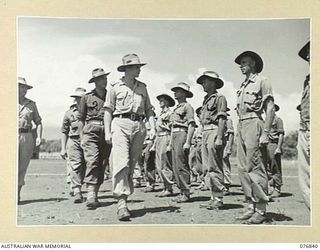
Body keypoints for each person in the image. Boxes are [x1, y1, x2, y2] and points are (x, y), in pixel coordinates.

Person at [104, 54, 156, 221]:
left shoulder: (143, 87)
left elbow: (149, 109)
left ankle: (124, 197)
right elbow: (108, 110)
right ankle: (121, 203)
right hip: (120, 124)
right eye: (135, 67)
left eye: (139, 66)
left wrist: (152, 127)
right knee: (121, 162)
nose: (139, 69)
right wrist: (107, 131)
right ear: (126, 69)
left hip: (139, 127)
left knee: (132, 163)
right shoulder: (114, 86)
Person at [234, 51, 275, 224]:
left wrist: (265, 132)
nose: (241, 66)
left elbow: (270, 108)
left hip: (254, 123)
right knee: (242, 168)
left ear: (253, 64)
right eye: (241, 63)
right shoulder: (243, 85)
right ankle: (250, 206)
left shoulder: (262, 81)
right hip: (241, 124)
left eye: (244, 62)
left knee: (256, 166)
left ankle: (261, 209)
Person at [78, 68, 112, 209]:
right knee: (92, 160)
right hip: (91, 131)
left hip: (107, 132)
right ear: (95, 81)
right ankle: (91, 193)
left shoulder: (111, 96)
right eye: (101, 78)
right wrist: (81, 137)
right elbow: (80, 119)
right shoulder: (86, 97)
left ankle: (95, 194)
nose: (105, 80)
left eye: (105, 78)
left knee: (102, 163)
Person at [196, 71, 228, 210]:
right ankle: (213, 197)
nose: (203, 84)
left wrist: (220, 137)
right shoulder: (206, 99)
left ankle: (219, 198)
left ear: (213, 83)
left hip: (214, 131)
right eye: (202, 82)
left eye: (206, 81)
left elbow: (222, 118)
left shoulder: (220, 97)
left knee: (214, 166)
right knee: (207, 167)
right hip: (205, 131)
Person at [169, 82, 195, 203]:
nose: (175, 93)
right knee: (175, 165)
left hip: (182, 134)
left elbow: (191, 125)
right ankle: (181, 191)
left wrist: (188, 142)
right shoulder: (176, 109)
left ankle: (186, 192)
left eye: (178, 91)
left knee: (182, 164)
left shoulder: (187, 107)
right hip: (174, 135)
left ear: (184, 93)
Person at [18, 77, 43, 203]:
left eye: (25, 88)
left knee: (22, 166)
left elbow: (38, 122)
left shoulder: (31, 104)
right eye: (21, 87)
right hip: (8, 136)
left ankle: (16, 194)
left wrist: (38, 137)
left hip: (26, 137)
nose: (24, 90)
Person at [60, 87, 87, 203]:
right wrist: (63, 148)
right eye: (77, 98)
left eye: (81, 98)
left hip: (88, 141)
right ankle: (77, 191)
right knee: (75, 165)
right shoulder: (69, 113)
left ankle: (82, 187)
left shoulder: (90, 111)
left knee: (86, 165)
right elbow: (64, 131)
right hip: (74, 140)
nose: (78, 100)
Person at [297, 41, 310, 210]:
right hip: (305, 129)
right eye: (307, 53)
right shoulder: (307, 80)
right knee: (305, 182)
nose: (308, 56)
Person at [154, 94, 175, 197]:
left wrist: (170, 144)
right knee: (159, 164)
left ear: (167, 102)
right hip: (159, 138)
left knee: (165, 163)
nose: (160, 102)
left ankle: (169, 188)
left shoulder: (170, 114)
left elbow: (172, 129)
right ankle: (164, 186)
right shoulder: (160, 114)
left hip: (166, 137)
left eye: (162, 100)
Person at [266, 104, 285, 199]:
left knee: (275, 167)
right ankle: (271, 187)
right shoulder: (266, 120)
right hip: (266, 144)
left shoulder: (278, 120)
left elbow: (281, 134)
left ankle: (277, 188)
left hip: (274, 144)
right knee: (268, 168)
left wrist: (278, 147)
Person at [222, 108, 234, 195]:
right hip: (219, 142)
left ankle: (226, 186)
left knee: (225, 164)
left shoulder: (228, 120)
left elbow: (231, 134)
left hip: (225, 142)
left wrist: (229, 147)